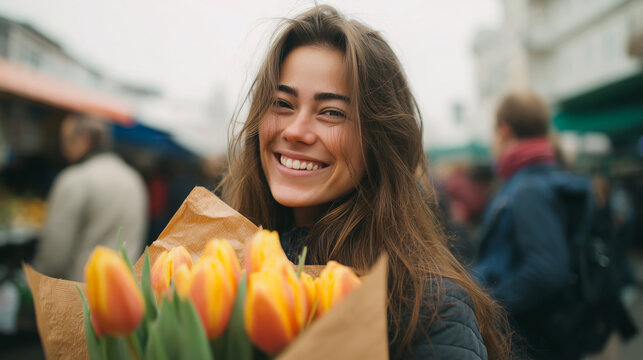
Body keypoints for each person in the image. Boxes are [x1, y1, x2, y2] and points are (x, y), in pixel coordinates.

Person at [219, 5, 511, 359]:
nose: (294, 131)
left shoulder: (429, 308)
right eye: (281, 103)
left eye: (331, 112)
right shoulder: (220, 271)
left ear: (379, 138)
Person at [471, 92, 592, 359]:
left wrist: (487, 306)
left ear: (504, 130)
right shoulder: (547, 177)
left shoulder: (527, 190)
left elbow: (547, 269)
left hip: (529, 340)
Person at [32, 114, 147, 282]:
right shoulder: (134, 180)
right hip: (123, 293)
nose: (63, 149)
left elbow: (54, 255)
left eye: (66, 141)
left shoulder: (75, 180)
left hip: (82, 296)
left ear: (83, 141)